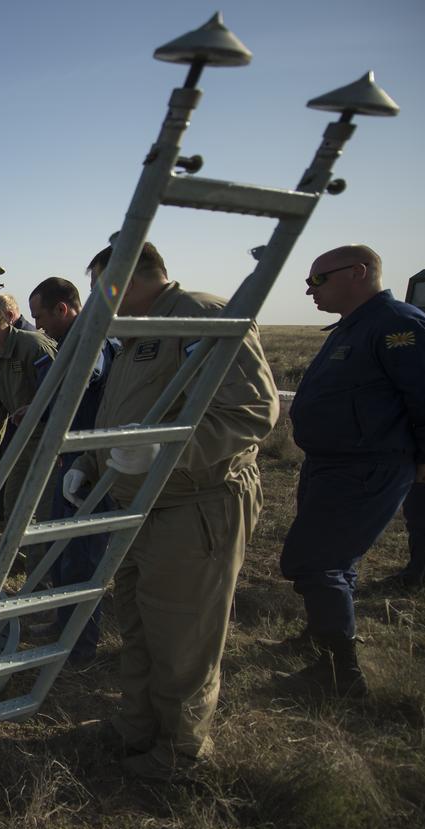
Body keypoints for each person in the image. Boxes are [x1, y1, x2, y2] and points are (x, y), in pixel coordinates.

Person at [64, 241, 278, 780]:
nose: (96, 303)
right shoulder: (136, 329)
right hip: (138, 506)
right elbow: (123, 414)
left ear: (129, 280)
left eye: (100, 290)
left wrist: (165, 451)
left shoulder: (203, 317)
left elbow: (251, 412)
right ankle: (137, 727)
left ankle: (181, 753)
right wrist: (90, 466)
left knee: (182, 637)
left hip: (192, 505)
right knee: (137, 624)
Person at [271, 245, 425, 698]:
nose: (309, 289)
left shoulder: (399, 326)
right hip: (333, 464)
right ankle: (320, 639)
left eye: (318, 279)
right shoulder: (355, 326)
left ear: (358, 273)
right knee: (336, 561)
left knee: (313, 560)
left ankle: (340, 674)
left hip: (367, 466)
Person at [26, 277, 118, 662]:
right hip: (69, 461)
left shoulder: (91, 341)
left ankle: (79, 647)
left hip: (91, 465)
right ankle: (62, 624)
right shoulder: (68, 343)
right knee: (60, 547)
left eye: (40, 316)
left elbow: (86, 379)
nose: (39, 325)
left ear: (62, 309)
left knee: (82, 556)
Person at [0, 299, 57, 528]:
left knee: (48, 509)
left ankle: (41, 559)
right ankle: (19, 556)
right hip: (23, 439)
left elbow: (64, 393)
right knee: (13, 502)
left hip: (51, 441)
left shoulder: (34, 347)